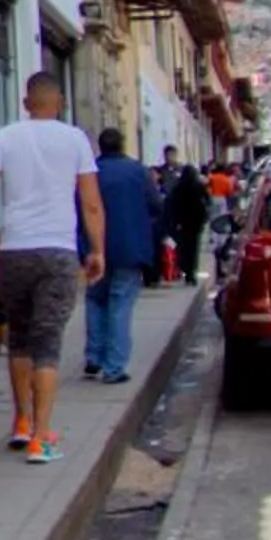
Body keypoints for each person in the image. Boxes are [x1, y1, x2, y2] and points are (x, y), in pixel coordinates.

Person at [0, 72, 106, 466]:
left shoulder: (5, 136)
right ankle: (41, 438)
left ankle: (21, 421)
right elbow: (91, 202)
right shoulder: (75, 139)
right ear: (60, 103)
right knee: (48, 344)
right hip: (58, 252)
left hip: (14, 252)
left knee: (19, 338)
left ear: (26, 103)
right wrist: (97, 250)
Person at [82, 129, 159, 385]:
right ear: (123, 144)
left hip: (95, 247)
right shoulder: (138, 171)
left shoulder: (89, 172)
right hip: (129, 247)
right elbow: (155, 205)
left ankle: (94, 358)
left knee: (95, 300)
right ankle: (114, 367)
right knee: (120, 304)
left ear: (100, 147)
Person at [161, 156, 213, 293]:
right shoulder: (199, 186)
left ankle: (184, 269)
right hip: (196, 222)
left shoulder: (178, 187)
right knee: (194, 248)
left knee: (183, 247)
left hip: (182, 223)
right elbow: (207, 201)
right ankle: (192, 272)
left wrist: (174, 221)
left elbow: (173, 205)